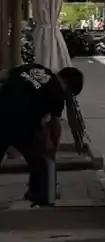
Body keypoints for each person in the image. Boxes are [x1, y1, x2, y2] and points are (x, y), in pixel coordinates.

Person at [0, 63, 84, 206]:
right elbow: (54, 125)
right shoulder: (58, 93)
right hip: (20, 120)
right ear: (69, 89)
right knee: (39, 159)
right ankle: (41, 196)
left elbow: (5, 75)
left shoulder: (34, 67)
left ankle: (38, 192)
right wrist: (52, 149)